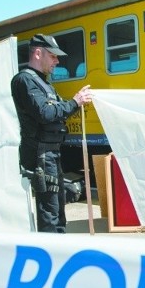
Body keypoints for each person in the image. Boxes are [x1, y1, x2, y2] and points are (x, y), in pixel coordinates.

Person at [11, 34, 93, 233]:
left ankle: (59, 249)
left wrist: (75, 104)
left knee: (58, 206)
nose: (57, 61)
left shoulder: (43, 83)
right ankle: (50, 253)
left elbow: (55, 111)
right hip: (41, 155)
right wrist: (75, 102)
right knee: (49, 210)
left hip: (51, 154)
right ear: (38, 53)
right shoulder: (25, 80)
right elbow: (46, 113)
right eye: (53, 56)